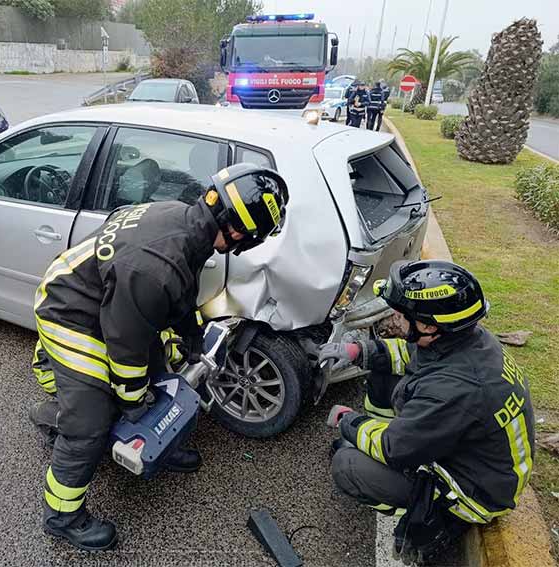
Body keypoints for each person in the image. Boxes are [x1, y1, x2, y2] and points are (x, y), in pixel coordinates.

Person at [29, 163, 289, 552]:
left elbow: (178, 290)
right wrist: (133, 401)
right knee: (93, 420)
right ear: (238, 233)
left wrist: (192, 336)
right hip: (70, 312)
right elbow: (126, 344)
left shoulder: (186, 222)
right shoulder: (154, 268)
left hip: (110, 300)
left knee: (159, 374)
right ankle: (62, 515)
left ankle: (160, 445)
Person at [320, 260, 534, 564]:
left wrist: (349, 422)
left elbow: (392, 447)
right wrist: (361, 352)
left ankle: (438, 516)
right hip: (480, 458)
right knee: (381, 372)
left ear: (430, 326)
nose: (395, 316)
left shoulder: (453, 391)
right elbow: (413, 355)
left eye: (402, 313)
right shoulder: (464, 340)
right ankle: (404, 454)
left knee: (346, 465)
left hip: (475, 491)